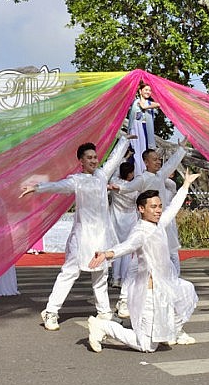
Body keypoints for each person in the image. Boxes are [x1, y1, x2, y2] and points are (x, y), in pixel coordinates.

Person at [19, 134, 133, 331]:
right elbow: (57, 186)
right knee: (69, 273)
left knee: (101, 275)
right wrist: (37, 188)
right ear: (81, 161)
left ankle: (105, 312)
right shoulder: (76, 180)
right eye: (89, 158)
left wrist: (124, 141)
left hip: (101, 236)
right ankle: (51, 311)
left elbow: (114, 159)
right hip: (81, 238)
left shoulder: (102, 176)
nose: (94, 160)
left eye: (95, 157)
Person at [86, 171, 200, 353]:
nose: (158, 210)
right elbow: (127, 246)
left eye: (159, 206)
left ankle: (171, 333)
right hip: (149, 293)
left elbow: (173, 208)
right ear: (141, 209)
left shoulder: (159, 223)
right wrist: (107, 254)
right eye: (153, 207)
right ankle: (103, 326)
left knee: (187, 293)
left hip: (166, 286)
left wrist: (185, 185)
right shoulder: (140, 231)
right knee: (146, 346)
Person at [113, 140, 187, 275]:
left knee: (172, 252)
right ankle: (130, 285)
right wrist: (118, 187)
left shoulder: (161, 174)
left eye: (159, 159)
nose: (158, 162)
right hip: (149, 222)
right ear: (146, 162)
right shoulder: (142, 178)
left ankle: (174, 279)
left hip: (164, 218)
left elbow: (171, 164)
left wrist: (181, 149)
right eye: (154, 160)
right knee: (144, 254)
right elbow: (129, 187)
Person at [109, 161, 139, 318]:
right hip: (129, 219)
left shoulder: (115, 182)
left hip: (116, 217)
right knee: (127, 250)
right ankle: (123, 278)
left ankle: (115, 278)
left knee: (116, 249)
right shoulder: (133, 188)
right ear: (130, 173)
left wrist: (123, 158)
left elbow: (113, 173)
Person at [127, 81, 160, 176]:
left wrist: (147, 106)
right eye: (146, 90)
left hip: (146, 128)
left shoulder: (149, 103)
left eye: (150, 90)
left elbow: (157, 104)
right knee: (135, 150)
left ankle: (144, 171)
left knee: (145, 150)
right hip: (136, 128)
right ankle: (134, 172)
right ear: (140, 91)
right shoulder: (135, 102)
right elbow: (141, 106)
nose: (148, 92)